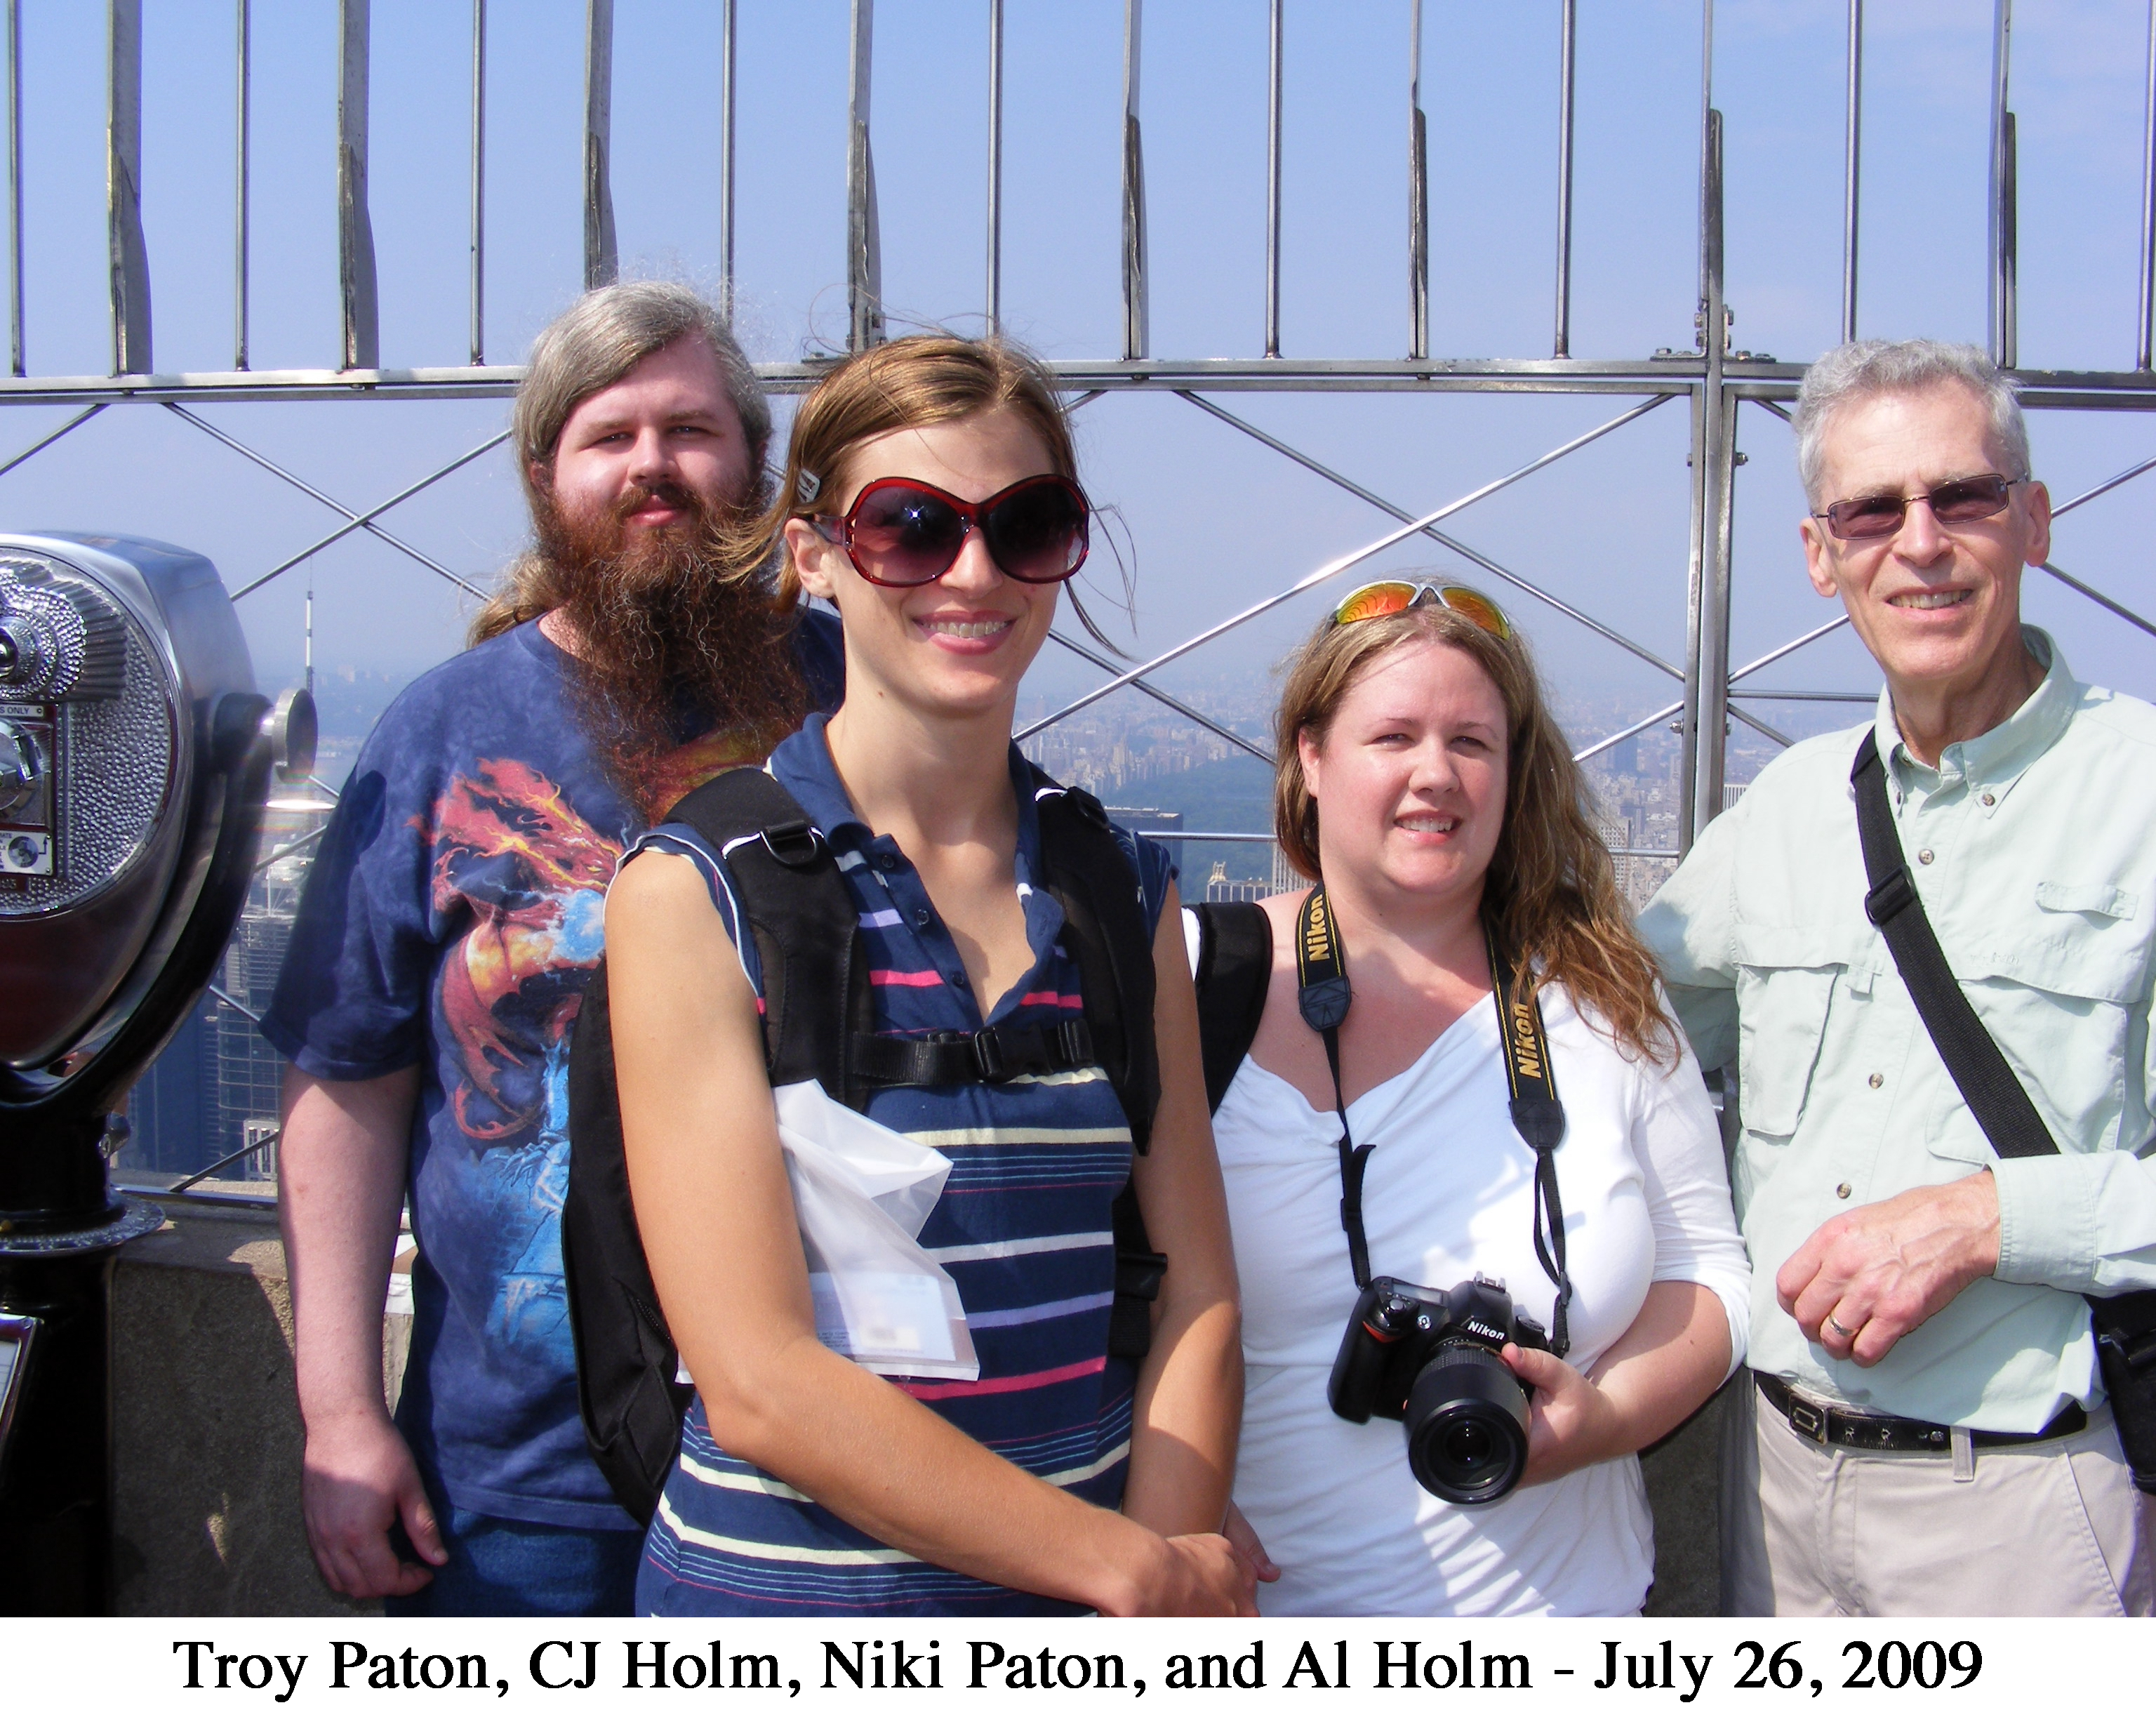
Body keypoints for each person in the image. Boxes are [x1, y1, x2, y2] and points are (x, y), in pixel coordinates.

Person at [603, 333, 1253, 1616]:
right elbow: (755, 1376)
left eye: (1026, 523)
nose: (973, 572)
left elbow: (1197, 1279)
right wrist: (1129, 1566)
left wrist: (1160, 1587)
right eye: (910, 527)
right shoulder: (697, 892)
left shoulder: (1119, 884)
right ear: (815, 557)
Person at [262, 281, 842, 1615]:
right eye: (610, 434)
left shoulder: (857, 693)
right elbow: (348, 1080)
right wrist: (340, 1412)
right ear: (545, 479)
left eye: (693, 429)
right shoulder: (441, 730)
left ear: (755, 465)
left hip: (838, 1447)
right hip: (516, 1481)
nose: (654, 466)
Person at [1639, 338, 2156, 1617]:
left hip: (2024, 1510)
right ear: (1824, 557)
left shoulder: (2141, 791)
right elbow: (1610, 1022)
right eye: (1874, 510)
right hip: (1772, 1488)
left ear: (2033, 521)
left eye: (1963, 496)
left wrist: (1990, 1220)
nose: (1919, 542)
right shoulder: (1791, 809)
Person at [1202, 579, 1750, 1616]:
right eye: (1393, 736)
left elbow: (1709, 1273)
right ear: (1310, 757)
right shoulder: (1194, 984)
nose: (1434, 775)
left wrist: (1605, 1418)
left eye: (1472, 742)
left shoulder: (1608, 1001)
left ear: (1515, 770)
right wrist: (1159, 1490)